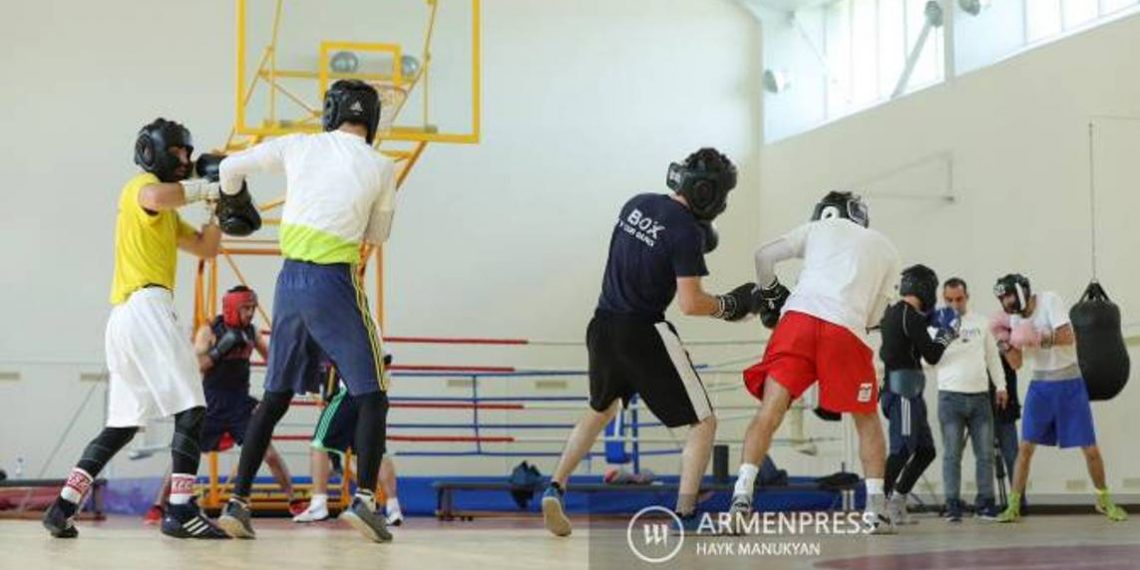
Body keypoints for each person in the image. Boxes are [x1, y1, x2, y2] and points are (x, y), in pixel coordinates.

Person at [216, 79, 398, 542]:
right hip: (333, 281)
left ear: (330, 112)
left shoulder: (298, 145)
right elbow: (377, 236)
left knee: (274, 397)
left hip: (288, 283)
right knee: (373, 393)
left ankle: (237, 503)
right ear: (372, 120)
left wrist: (234, 201)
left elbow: (229, 167)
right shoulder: (381, 165)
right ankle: (366, 501)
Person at [541, 148, 754, 537]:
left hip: (602, 325)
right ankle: (685, 514)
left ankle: (555, 486)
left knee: (601, 409)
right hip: (643, 330)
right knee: (703, 422)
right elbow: (690, 303)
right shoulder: (685, 232)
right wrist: (730, 306)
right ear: (709, 192)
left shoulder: (636, 203)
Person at [43, 118, 227, 539]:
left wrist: (219, 205)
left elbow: (207, 248)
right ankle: (180, 510)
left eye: (187, 153)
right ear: (152, 152)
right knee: (192, 406)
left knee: (123, 424)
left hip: (126, 318)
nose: (185, 160)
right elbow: (157, 196)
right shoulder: (141, 186)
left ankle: (63, 506)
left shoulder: (166, 214)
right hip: (147, 307)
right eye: (178, 152)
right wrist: (206, 187)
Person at [729, 191, 901, 534]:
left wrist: (772, 292)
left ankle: (741, 495)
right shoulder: (886, 248)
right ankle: (875, 512)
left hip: (797, 321)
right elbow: (875, 317)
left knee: (770, 410)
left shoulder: (817, 228)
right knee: (866, 418)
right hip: (845, 328)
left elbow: (763, 256)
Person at [144, 286, 303, 524]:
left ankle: (295, 501)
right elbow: (196, 366)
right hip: (211, 403)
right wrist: (219, 351)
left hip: (241, 404)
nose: (250, 313)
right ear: (232, 308)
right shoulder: (209, 330)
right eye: (246, 308)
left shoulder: (252, 332)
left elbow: (272, 360)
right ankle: (159, 504)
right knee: (186, 452)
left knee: (267, 452)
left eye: (252, 308)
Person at [991, 274, 1126, 523]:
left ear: (1021, 291)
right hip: (1040, 386)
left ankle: (1104, 500)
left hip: (1070, 383)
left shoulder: (1049, 300)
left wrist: (1039, 336)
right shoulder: (1016, 319)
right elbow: (1016, 364)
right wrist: (1004, 343)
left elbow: (1068, 337)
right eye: (1002, 298)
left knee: (1090, 449)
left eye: (1008, 295)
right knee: (1025, 448)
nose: (1006, 302)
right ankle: (1013, 506)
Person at [878, 265, 956, 525]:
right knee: (902, 449)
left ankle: (898, 500)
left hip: (907, 390)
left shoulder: (896, 312)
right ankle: (877, 505)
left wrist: (932, 322)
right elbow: (932, 355)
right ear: (925, 288)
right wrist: (946, 334)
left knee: (925, 450)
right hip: (902, 391)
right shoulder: (908, 316)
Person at [932, 277, 1007, 522]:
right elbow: (927, 360)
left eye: (959, 299)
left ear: (967, 297)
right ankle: (952, 503)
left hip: (980, 397)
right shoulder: (935, 324)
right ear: (943, 299)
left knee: (985, 454)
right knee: (952, 454)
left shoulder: (981, 323)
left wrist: (1001, 386)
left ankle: (985, 503)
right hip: (950, 396)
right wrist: (944, 335)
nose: (955, 304)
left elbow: (992, 357)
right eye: (949, 300)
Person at [294, 358, 402, 525]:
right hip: (375, 392)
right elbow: (385, 360)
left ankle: (318, 504)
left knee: (319, 443)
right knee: (375, 450)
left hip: (350, 389)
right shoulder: (376, 343)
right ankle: (394, 509)